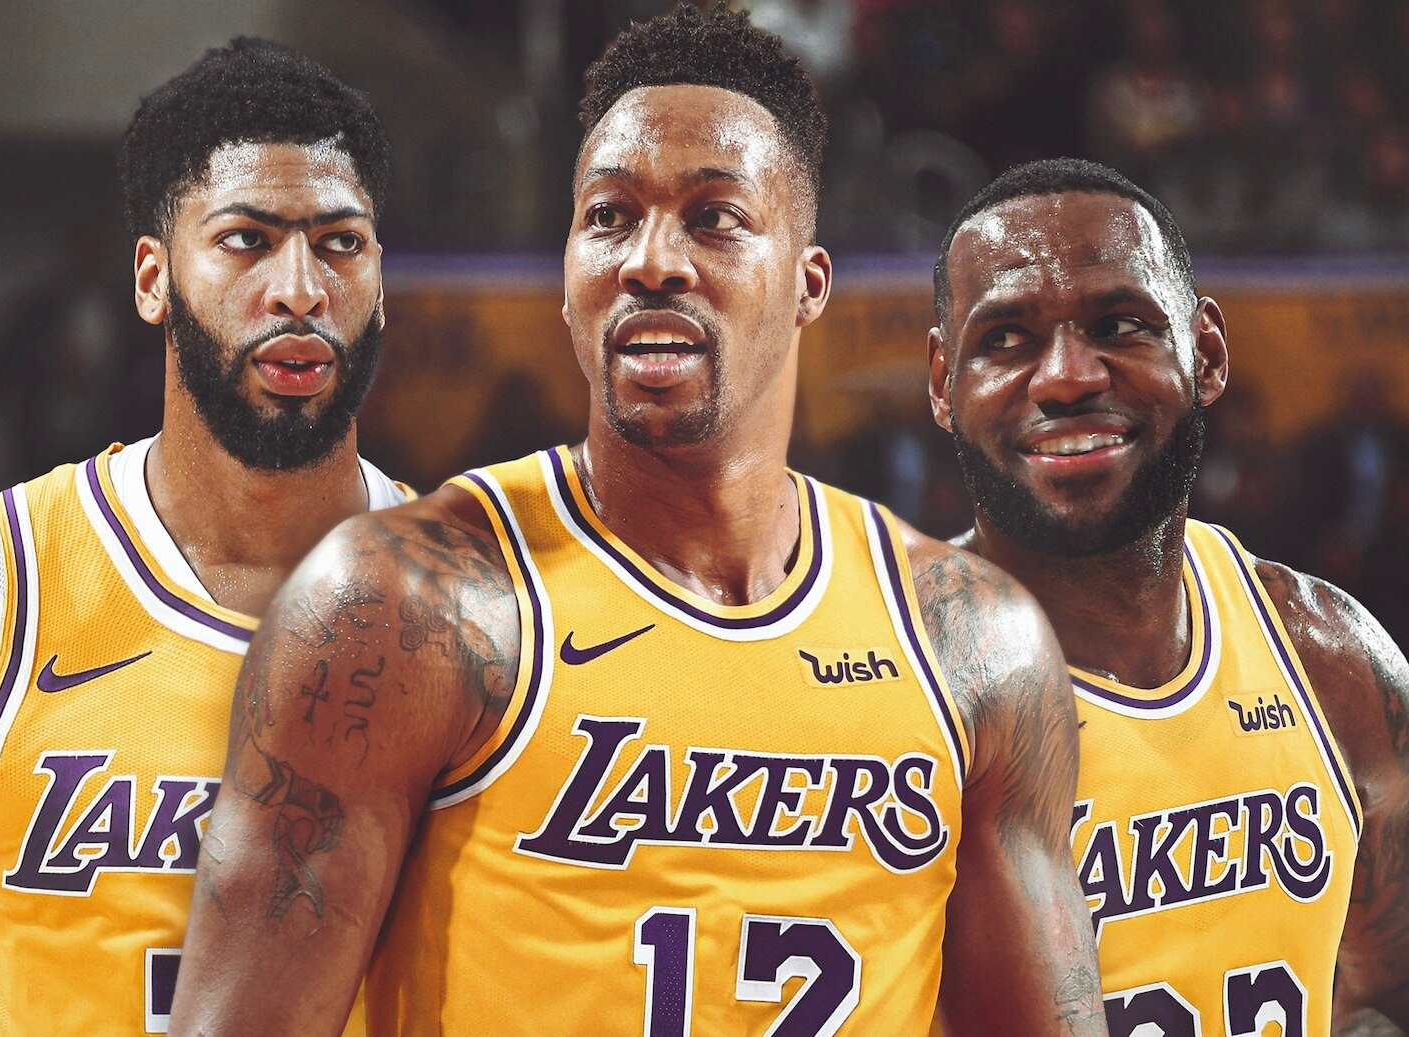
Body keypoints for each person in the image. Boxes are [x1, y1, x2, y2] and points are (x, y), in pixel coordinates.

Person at [168, 8, 1105, 1035]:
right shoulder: (400, 607)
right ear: (569, 272)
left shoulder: (973, 643)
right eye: (609, 215)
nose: (651, 260)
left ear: (808, 284)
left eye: (714, 217)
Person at [0, 38, 408, 1035]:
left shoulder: (490, 610)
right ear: (153, 278)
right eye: (245, 239)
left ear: (379, 279)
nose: (299, 287)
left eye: (340, 242)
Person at [928, 157, 1409, 1035]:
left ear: (1208, 353)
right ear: (940, 383)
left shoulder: (1333, 661)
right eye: (1006, 338)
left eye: (1120, 324)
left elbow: (1384, 988)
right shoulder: (884, 695)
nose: (1067, 377)